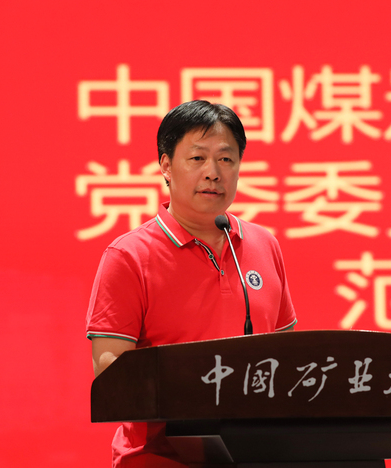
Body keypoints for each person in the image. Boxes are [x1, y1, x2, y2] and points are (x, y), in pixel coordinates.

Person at [85, 100, 297, 467]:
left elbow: (289, 355)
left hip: (256, 455)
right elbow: (111, 372)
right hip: (160, 458)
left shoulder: (264, 245)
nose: (213, 173)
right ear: (166, 166)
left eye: (226, 159)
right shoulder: (129, 255)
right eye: (197, 158)